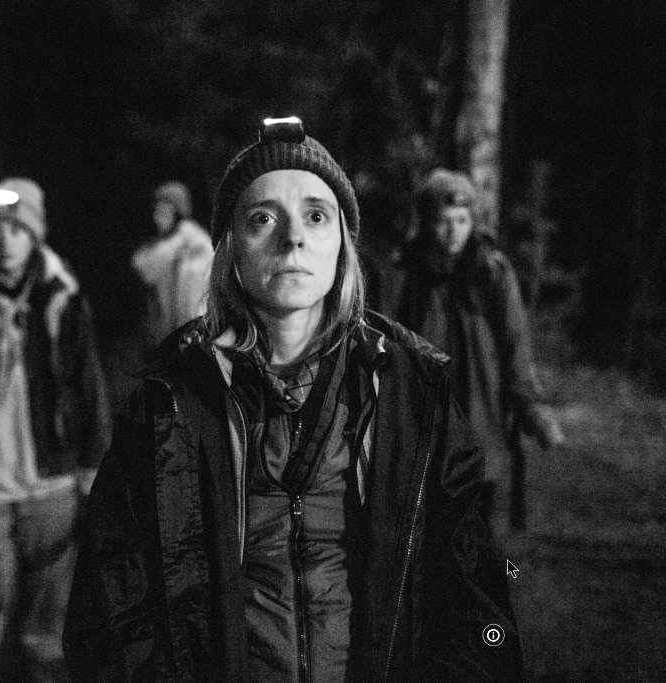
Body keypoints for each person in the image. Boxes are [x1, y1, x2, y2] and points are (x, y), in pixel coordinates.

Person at [65, 118, 521, 680]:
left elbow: (479, 595)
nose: (293, 238)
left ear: (342, 246)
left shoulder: (412, 395)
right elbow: (109, 608)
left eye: (316, 216)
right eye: (263, 218)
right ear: (230, 249)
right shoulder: (168, 405)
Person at [0, 177, 112, 681]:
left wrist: (93, 462)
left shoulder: (63, 296)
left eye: (18, 229)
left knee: (49, 616)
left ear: (35, 235)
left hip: (52, 482)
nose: (6, 240)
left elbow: (88, 381)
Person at [387, 169, 564, 529]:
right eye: (443, 221)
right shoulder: (407, 272)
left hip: (480, 414)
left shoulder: (491, 272)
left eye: (462, 220)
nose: (453, 231)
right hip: (424, 418)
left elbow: (514, 344)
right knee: (428, 527)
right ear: (427, 223)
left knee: (482, 527)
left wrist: (529, 406)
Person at [131, 181, 213, 348]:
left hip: (192, 331)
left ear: (176, 212)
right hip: (175, 331)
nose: (157, 217)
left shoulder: (192, 239)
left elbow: (147, 270)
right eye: (156, 211)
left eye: (163, 211)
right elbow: (141, 265)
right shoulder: (172, 241)